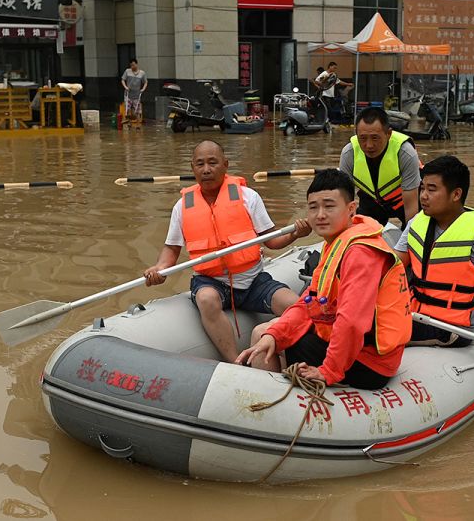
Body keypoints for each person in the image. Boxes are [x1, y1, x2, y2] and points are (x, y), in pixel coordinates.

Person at [236, 169, 412, 390]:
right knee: (267, 333)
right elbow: (309, 302)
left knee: (264, 333)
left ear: (351, 209)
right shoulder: (337, 243)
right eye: (313, 207)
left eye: (329, 206)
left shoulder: (360, 253)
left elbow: (352, 322)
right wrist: (276, 335)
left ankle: (270, 402)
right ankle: (274, 388)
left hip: (370, 361)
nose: (320, 214)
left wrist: (328, 371)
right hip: (356, 346)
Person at [143, 140, 311, 362]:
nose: (206, 170)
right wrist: (160, 268)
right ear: (192, 167)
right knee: (206, 299)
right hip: (211, 281)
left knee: (294, 304)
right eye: (200, 164)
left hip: (253, 280)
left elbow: (271, 240)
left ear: (225, 164)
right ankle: (236, 362)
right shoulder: (181, 207)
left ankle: (294, 354)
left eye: (213, 163)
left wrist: (294, 234)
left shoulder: (248, 197)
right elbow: (171, 248)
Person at [394, 156, 474, 349]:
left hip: (452, 328)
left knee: (377, 332)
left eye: (432, 189)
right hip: (414, 314)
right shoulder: (416, 223)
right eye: (422, 188)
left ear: (456, 194)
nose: (423, 196)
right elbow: (393, 266)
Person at [338, 107, 420, 226]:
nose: (369, 145)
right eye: (363, 138)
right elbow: (344, 202)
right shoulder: (348, 153)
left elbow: (411, 208)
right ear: (356, 134)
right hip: (371, 200)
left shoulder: (405, 153)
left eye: (375, 138)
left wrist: (409, 241)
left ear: (388, 134)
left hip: (402, 200)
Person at [121, 59, 147, 129]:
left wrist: (143, 89)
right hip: (128, 94)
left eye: (133, 65)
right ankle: (129, 122)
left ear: (136, 64)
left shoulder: (142, 73)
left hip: (137, 95)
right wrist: (125, 87)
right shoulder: (127, 71)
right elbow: (123, 80)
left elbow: (145, 82)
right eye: (131, 65)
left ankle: (138, 124)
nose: (132, 66)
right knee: (128, 109)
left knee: (137, 110)